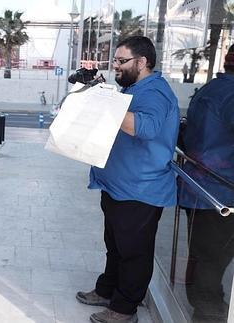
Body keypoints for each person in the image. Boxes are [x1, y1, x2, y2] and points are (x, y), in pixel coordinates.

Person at [76, 36, 179, 323]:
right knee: (116, 246)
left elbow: (142, 127)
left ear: (143, 62)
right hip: (118, 186)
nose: (116, 67)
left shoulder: (155, 92)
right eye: (115, 62)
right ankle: (108, 289)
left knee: (134, 252)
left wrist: (105, 99)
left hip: (140, 190)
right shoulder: (134, 88)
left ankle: (124, 309)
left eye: (122, 61)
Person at [177, 45, 234, 322]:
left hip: (201, 189)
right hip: (220, 193)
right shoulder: (231, 94)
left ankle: (208, 305)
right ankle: (209, 312)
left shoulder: (213, 88)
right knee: (212, 259)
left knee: (203, 256)